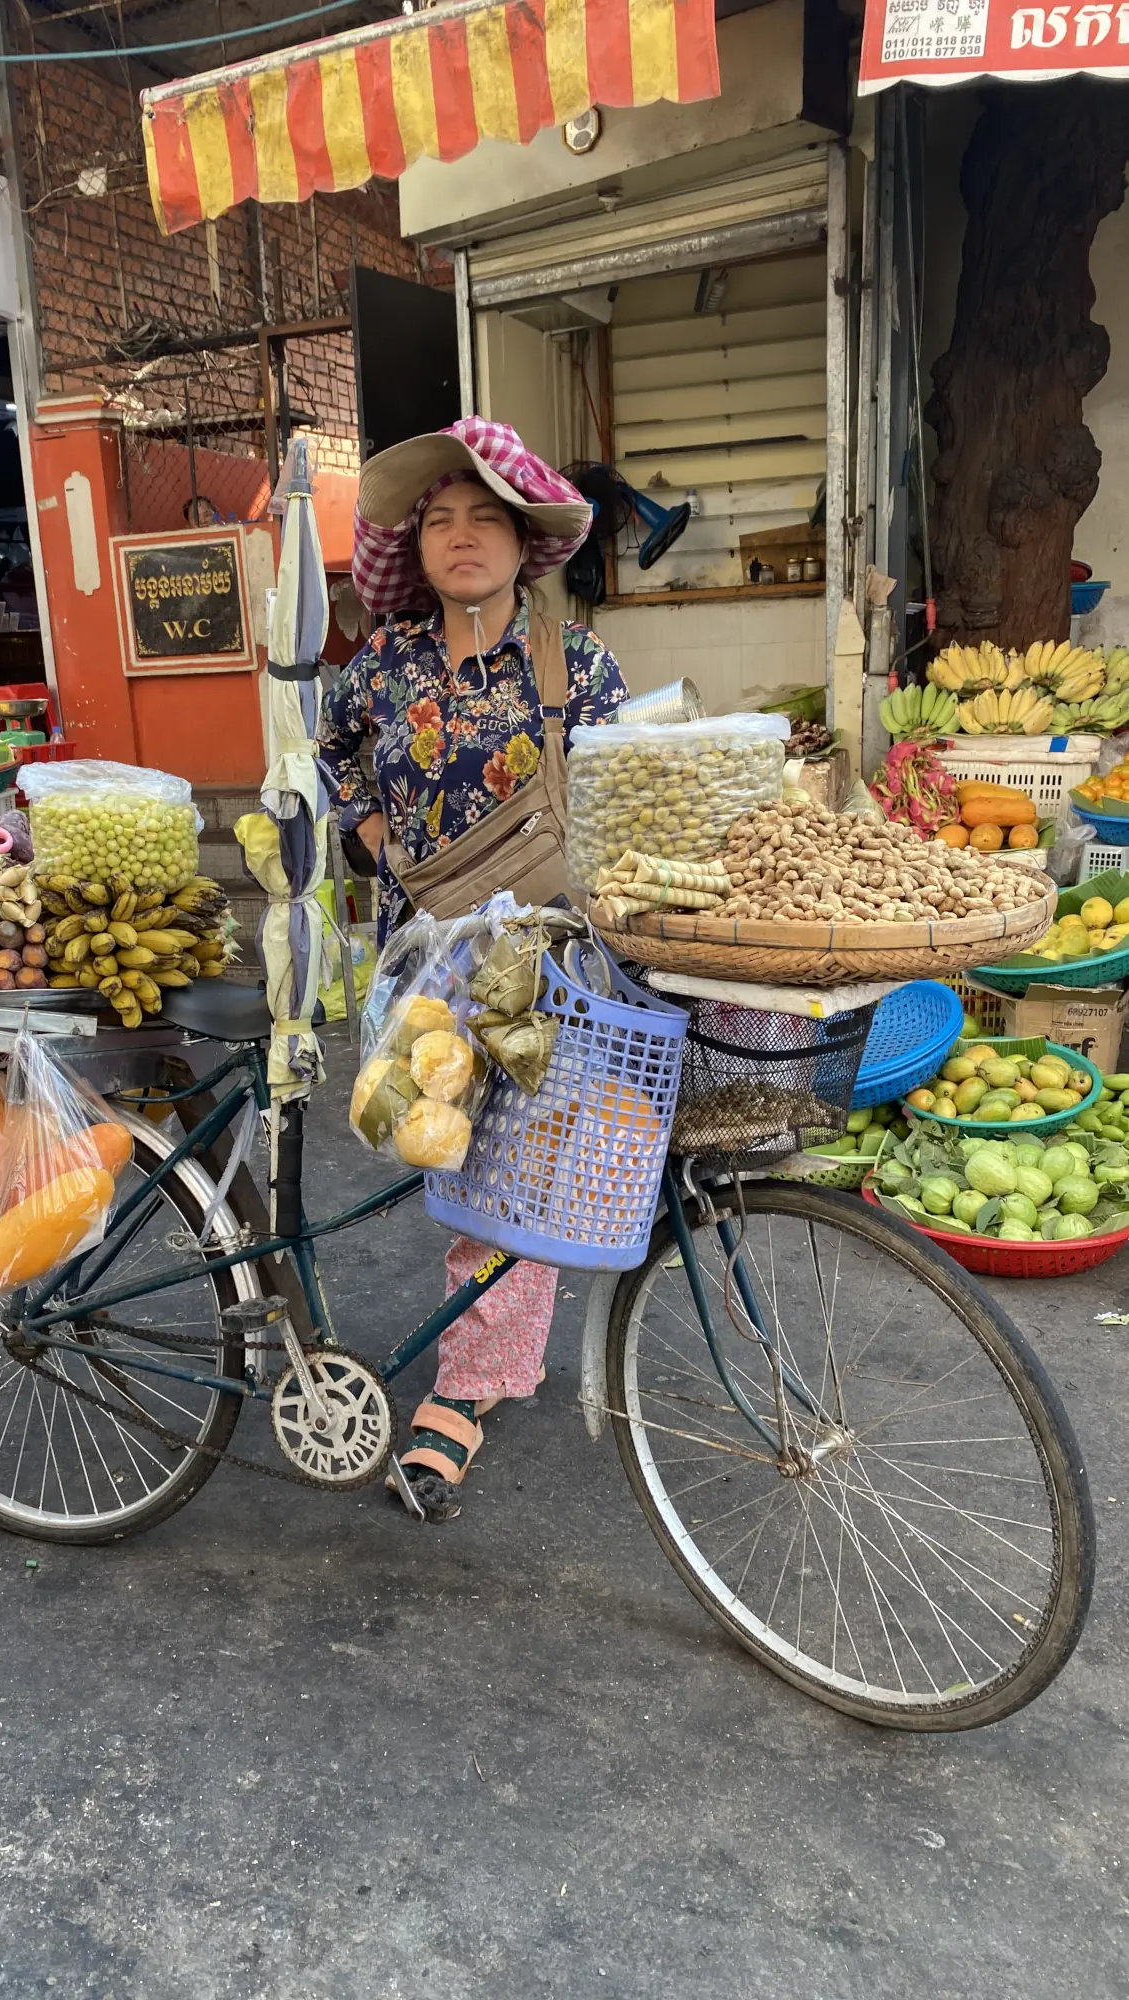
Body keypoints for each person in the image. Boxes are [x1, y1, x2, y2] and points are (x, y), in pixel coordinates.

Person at [317, 418, 629, 1521]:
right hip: (420, 948)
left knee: (513, 1170)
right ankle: (480, 1341)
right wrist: (373, 839)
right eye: (438, 519)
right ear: (419, 546)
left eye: (482, 517)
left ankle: (469, 1382)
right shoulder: (387, 662)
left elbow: (624, 792)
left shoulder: (575, 663)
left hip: (539, 961)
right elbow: (330, 747)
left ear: (523, 540)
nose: (460, 536)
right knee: (436, 1140)